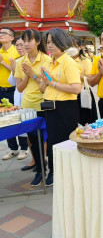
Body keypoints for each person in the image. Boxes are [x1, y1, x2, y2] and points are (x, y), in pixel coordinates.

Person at [39, 28, 81, 187]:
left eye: (52, 42)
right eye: (47, 42)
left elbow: (76, 88)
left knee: (65, 140)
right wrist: (44, 80)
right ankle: (54, 171)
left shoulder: (68, 62)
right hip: (50, 106)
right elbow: (43, 89)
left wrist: (52, 83)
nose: (49, 45)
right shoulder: (48, 62)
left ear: (61, 42)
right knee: (51, 140)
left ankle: (68, 172)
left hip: (66, 107)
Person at [14, 29, 51, 185]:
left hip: (46, 102)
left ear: (38, 42)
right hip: (28, 105)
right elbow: (20, 88)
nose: (26, 44)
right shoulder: (20, 62)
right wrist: (27, 76)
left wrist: (33, 74)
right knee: (33, 141)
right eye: (24, 40)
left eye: (30, 40)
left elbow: (48, 83)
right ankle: (40, 169)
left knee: (49, 138)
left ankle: (52, 171)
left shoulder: (47, 60)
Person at [5, 36, 29, 162]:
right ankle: (15, 148)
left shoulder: (32, 61)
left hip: (29, 96)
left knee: (29, 124)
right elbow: (12, 81)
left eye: (22, 44)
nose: (19, 48)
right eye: (17, 45)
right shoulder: (17, 61)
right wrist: (14, 71)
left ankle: (25, 149)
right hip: (18, 95)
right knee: (18, 121)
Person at [0, 27, 22, 160]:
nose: (1, 35)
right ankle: (13, 148)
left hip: (13, 89)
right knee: (6, 120)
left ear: (11, 37)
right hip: (0, 88)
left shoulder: (16, 51)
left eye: (4, 33)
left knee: (18, 118)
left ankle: (24, 147)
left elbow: (16, 70)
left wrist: (2, 62)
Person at [69, 37, 97, 124]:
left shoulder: (85, 61)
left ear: (80, 47)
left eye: (73, 46)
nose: (71, 48)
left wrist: (76, 73)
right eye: (69, 46)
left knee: (85, 120)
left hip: (82, 93)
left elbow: (89, 79)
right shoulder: (65, 61)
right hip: (69, 93)